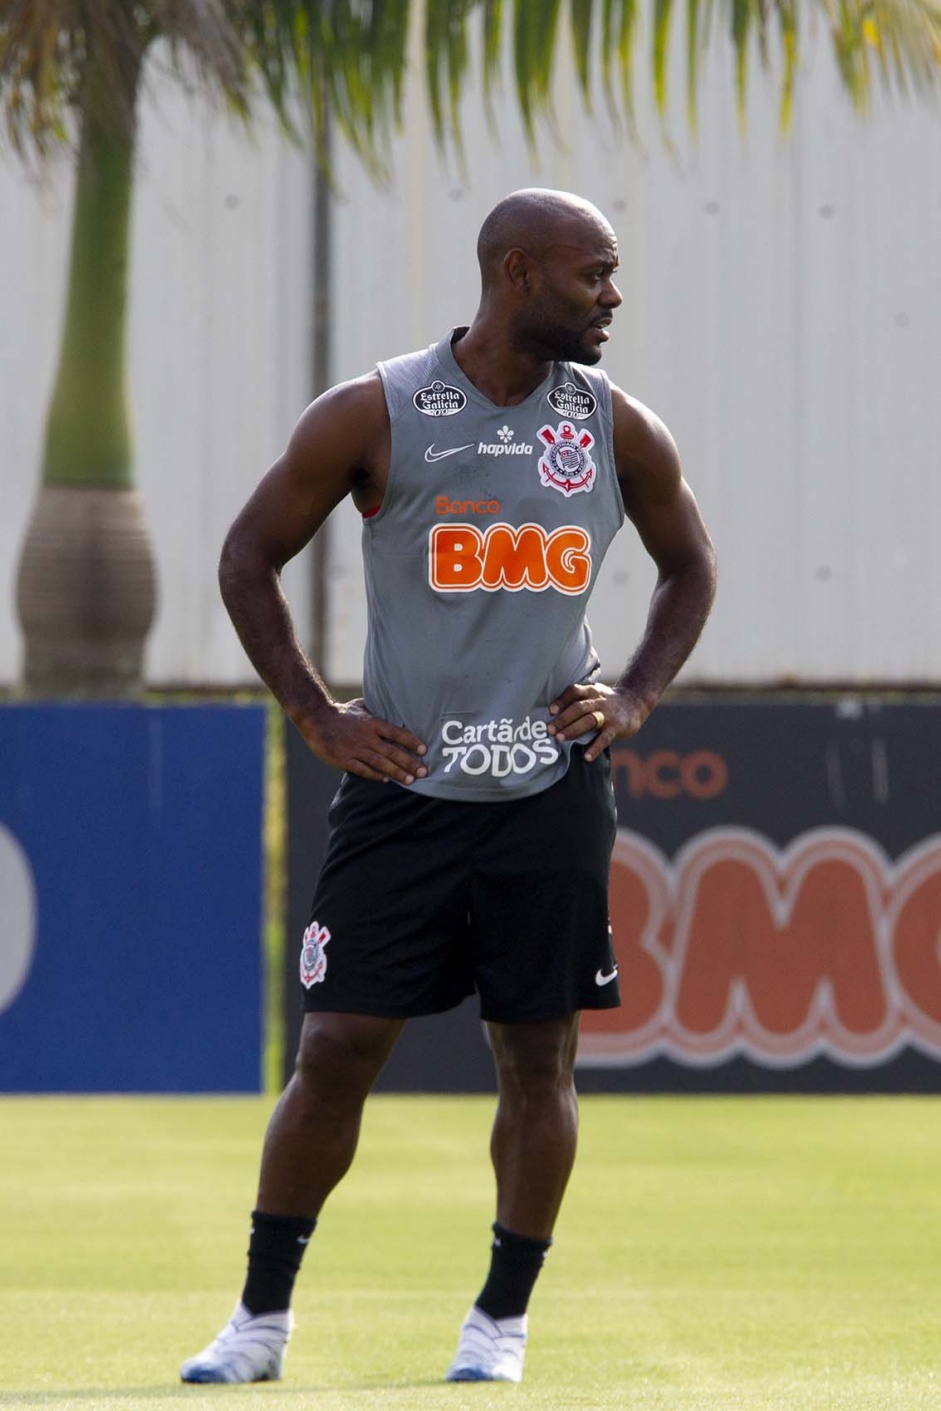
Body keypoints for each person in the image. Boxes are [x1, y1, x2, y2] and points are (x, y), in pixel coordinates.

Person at [180, 188, 716, 1386]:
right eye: (595, 275)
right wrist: (316, 715)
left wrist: (626, 696)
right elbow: (245, 557)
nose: (611, 297)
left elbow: (690, 567)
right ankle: (259, 1320)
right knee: (333, 1050)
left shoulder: (616, 427)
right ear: (517, 273)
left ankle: (499, 1323)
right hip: (404, 788)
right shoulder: (377, 412)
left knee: (538, 1061)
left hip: (548, 792)